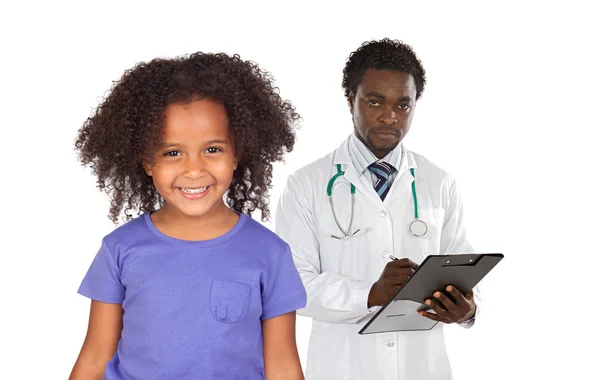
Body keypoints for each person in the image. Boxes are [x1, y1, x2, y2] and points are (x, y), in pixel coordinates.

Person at [69, 52, 307, 380]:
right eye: (172, 152)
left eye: (212, 149)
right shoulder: (119, 250)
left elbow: (282, 366)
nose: (194, 169)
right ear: (147, 162)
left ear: (236, 154)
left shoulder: (270, 254)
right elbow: (95, 359)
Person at [275, 38, 482, 380]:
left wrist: (467, 310)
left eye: (403, 105)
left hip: (424, 368)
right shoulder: (306, 185)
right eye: (374, 102)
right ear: (350, 100)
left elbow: (464, 264)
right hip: (342, 368)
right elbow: (294, 286)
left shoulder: (438, 182)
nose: (389, 117)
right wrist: (371, 293)